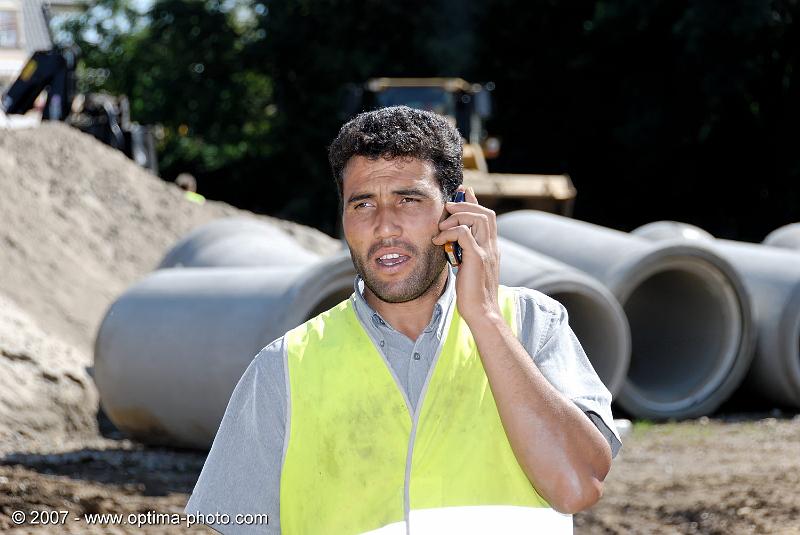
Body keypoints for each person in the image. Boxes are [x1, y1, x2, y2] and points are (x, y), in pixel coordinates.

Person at [185, 106, 621, 534]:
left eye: (408, 200)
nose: (384, 226)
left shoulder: (532, 325)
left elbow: (577, 486)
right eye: (362, 204)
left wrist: (484, 317)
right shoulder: (282, 369)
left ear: (457, 210)